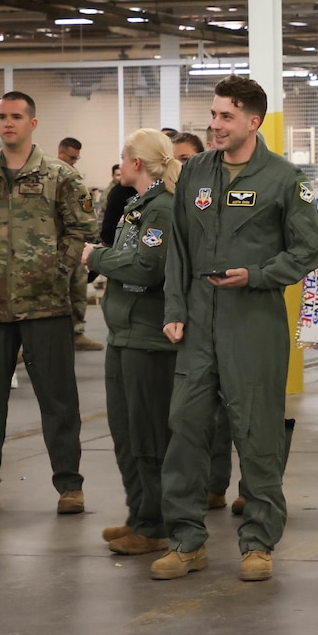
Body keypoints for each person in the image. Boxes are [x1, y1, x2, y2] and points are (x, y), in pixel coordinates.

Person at [151, 76, 318, 583]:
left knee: (258, 433)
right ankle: (186, 541)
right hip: (199, 323)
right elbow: (178, 247)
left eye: (226, 116)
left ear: (253, 121)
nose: (215, 125)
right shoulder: (196, 171)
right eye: (213, 115)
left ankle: (259, 542)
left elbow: (307, 250)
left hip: (254, 320)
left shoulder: (286, 179)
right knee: (184, 428)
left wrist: (260, 276)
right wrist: (175, 308)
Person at [0, 91, 95, 515]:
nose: (8, 123)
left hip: (46, 305)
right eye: (1, 117)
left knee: (58, 400)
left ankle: (69, 485)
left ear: (33, 123)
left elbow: (81, 227)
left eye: (16, 116)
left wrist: (58, 271)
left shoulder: (59, 175)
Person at [89, 130, 183, 557]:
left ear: (137, 163)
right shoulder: (136, 207)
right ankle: (140, 514)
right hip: (124, 332)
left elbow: (147, 268)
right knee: (126, 433)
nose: (119, 165)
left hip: (147, 337)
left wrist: (95, 258)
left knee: (148, 435)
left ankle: (156, 524)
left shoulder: (162, 209)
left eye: (123, 159)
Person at [169, 129, 239, 512]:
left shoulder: (218, 193)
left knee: (231, 412)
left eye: (185, 159)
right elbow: (175, 259)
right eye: (174, 160)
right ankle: (200, 490)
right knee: (189, 415)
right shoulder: (161, 201)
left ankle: (223, 484)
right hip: (187, 319)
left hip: (232, 318)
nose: (179, 167)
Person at [52, 135, 98, 353]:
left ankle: (77, 332)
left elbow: (86, 207)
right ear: (60, 153)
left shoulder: (75, 178)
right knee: (53, 294)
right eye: (71, 157)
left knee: (78, 290)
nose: (73, 161)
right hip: (52, 246)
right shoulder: (47, 176)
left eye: (76, 158)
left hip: (76, 242)